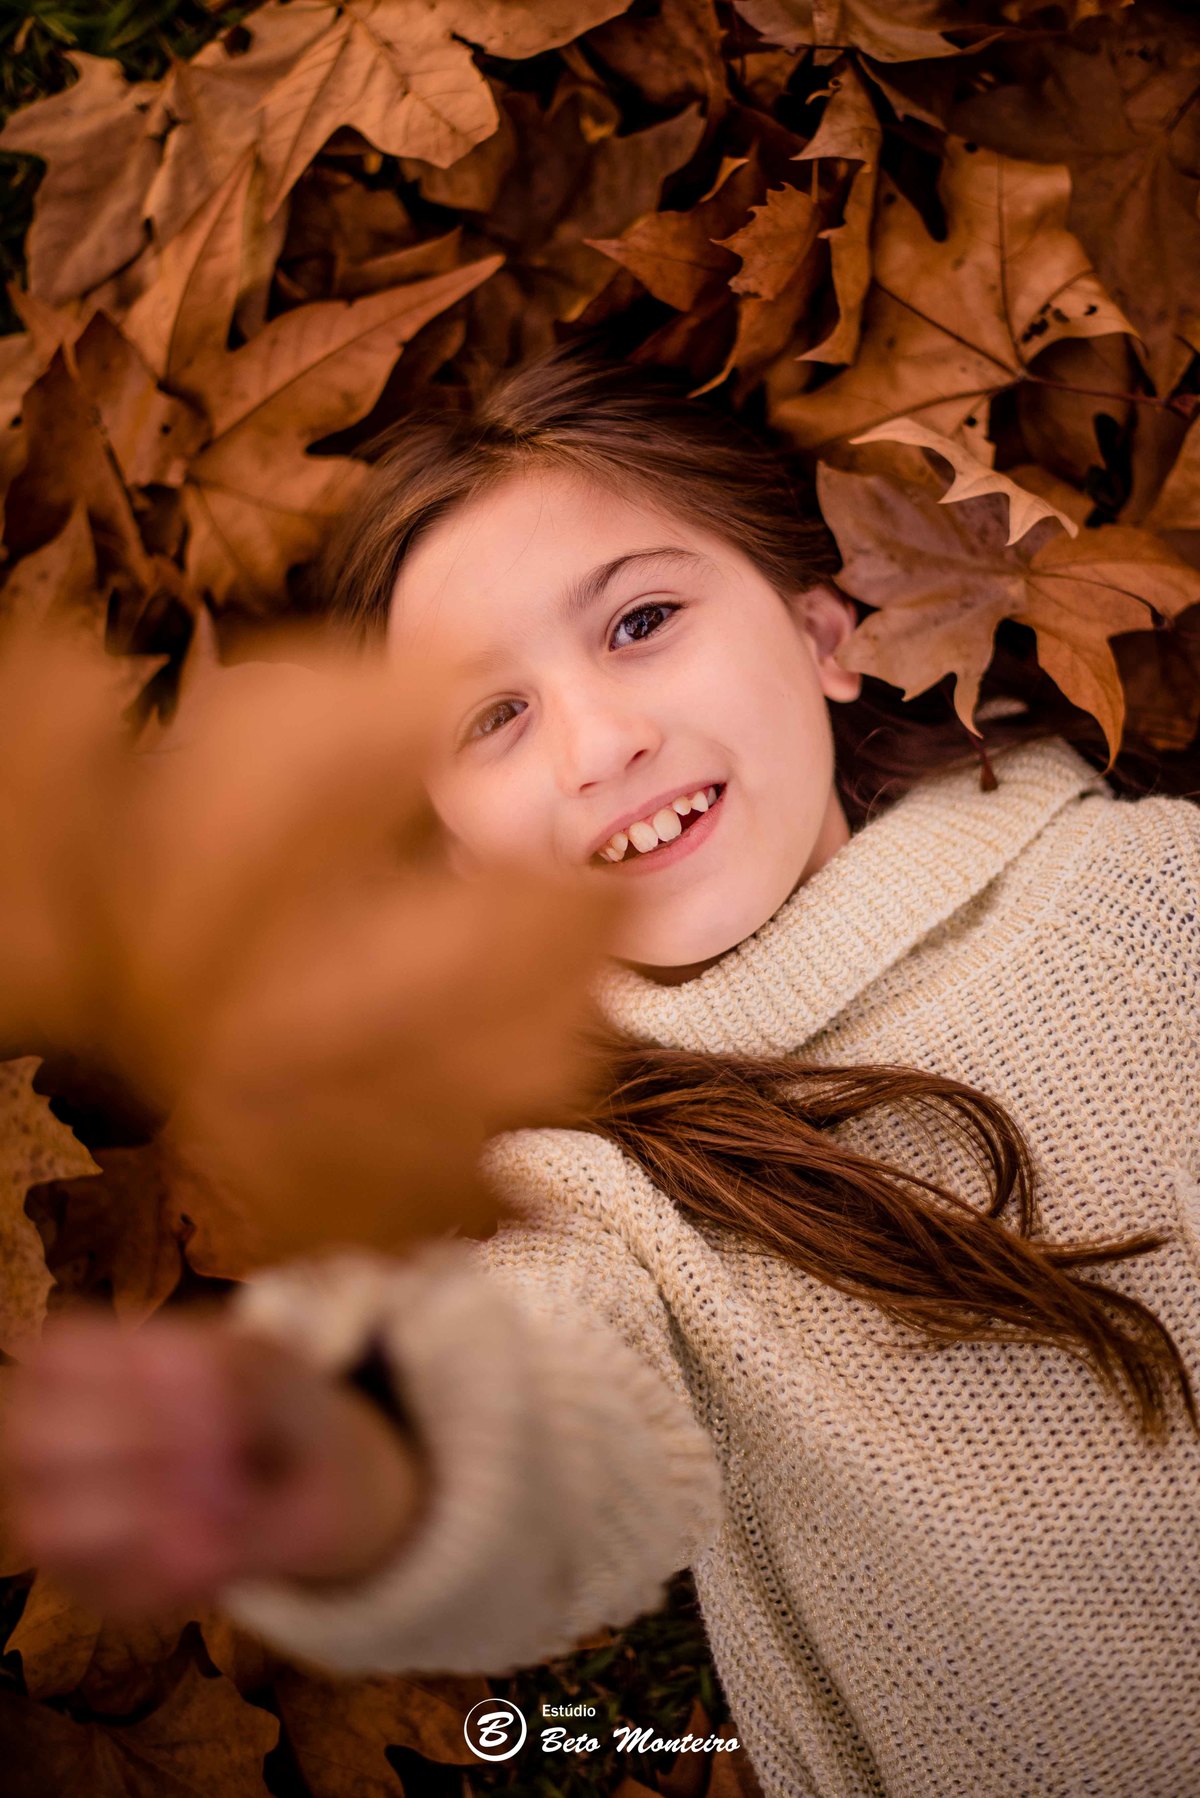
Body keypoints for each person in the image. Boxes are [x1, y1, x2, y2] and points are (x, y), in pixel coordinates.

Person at [4, 339, 1199, 1798]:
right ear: (453, 848)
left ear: (828, 631)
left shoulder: (1142, 892)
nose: (600, 741)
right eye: (491, 718)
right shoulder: (593, 1182)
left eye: (639, 620)